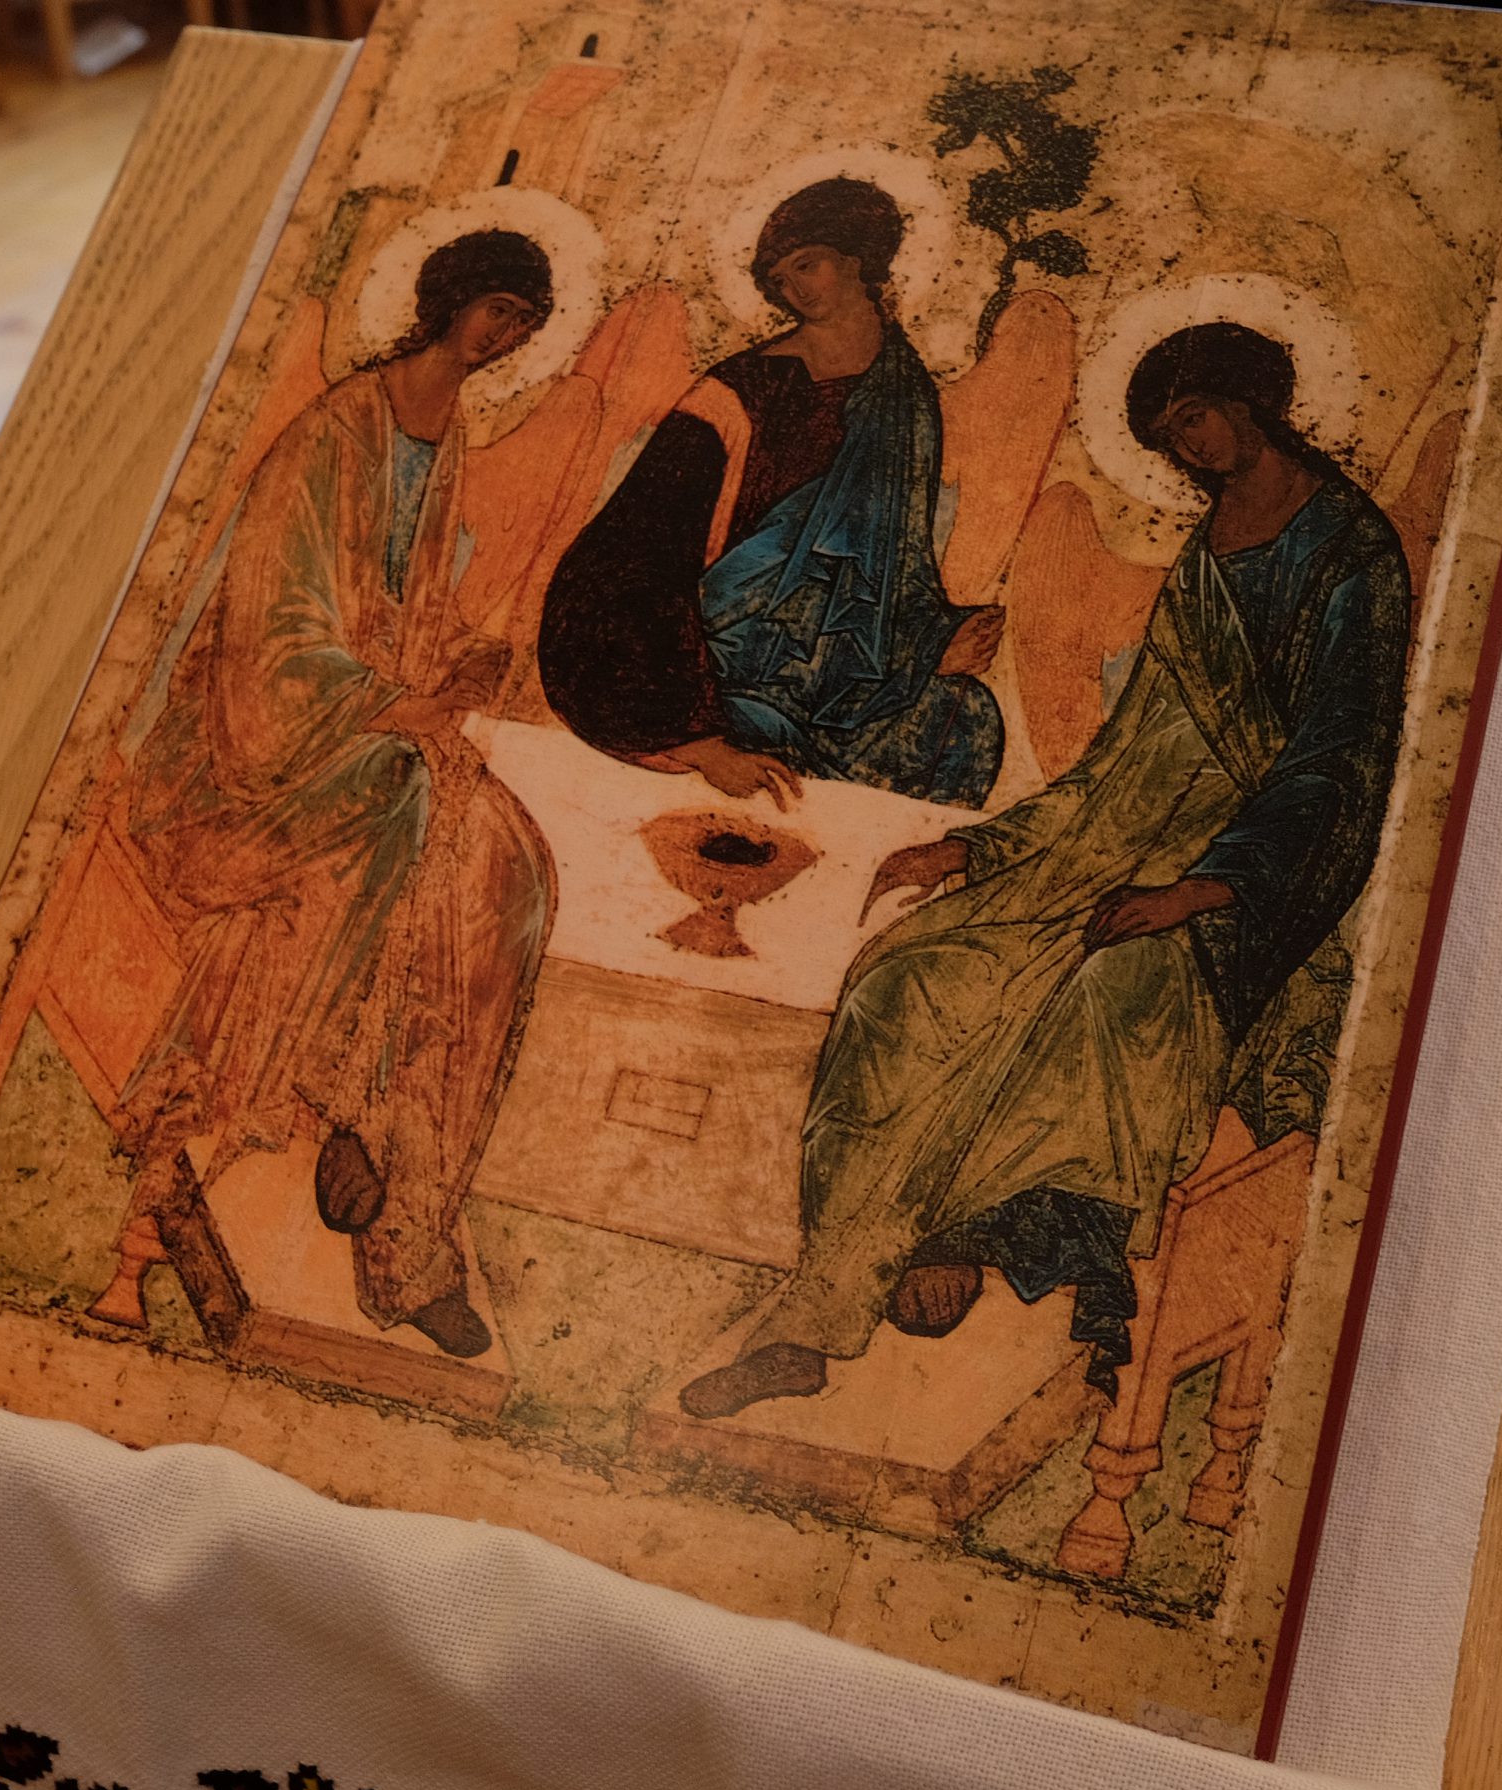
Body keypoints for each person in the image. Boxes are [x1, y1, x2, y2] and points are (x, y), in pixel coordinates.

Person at [680, 323, 1412, 1418]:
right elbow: (1128, 754)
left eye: (1196, 417)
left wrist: (1196, 890)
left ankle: (923, 1256)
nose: (1192, 447)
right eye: (1170, 436)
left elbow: (1341, 761)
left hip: (1257, 878)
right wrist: (980, 846)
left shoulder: (1351, 550)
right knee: (905, 977)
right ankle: (830, 1301)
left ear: (1249, 399)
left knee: (1103, 992)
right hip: (1116, 837)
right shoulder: (1208, 552)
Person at [111, 231, 558, 1360]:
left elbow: (401, 609)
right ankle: (348, 1107)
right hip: (246, 764)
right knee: (407, 806)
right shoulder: (335, 431)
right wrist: (396, 702)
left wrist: (460, 658)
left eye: (523, 322)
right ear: (450, 300)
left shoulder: (446, 435)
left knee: (509, 870)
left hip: (366, 734)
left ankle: (412, 1224)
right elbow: (270, 644)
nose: (503, 336)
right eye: (497, 309)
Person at [538, 178, 1005, 808]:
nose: (796, 290)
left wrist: (936, 641)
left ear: (856, 258)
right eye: (780, 280)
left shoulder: (905, 395)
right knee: (773, 733)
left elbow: (893, 566)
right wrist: (699, 740)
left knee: (963, 721)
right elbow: (636, 552)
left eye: (807, 265)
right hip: (726, 661)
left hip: (838, 665)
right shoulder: (738, 393)